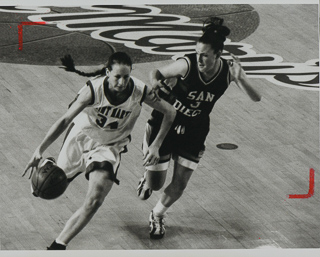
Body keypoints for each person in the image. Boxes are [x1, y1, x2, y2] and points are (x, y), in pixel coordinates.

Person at [22, 52, 176, 250]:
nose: (122, 82)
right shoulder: (93, 90)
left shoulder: (140, 91)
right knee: (44, 190)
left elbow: (170, 112)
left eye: (126, 77)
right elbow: (65, 120)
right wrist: (39, 149)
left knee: (95, 199)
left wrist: (156, 145)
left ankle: (58, 246)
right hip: (81, 137)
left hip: (110, 146)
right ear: (107, 73)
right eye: (117, 77)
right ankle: (49, 164)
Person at [136, 17, 262, 239]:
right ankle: (148, 177)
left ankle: (157, 215)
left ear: (217, 54)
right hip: (166, 123)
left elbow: (256, 97)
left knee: (181, 183)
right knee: (156, 184)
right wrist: (156, 83)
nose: (200, 58)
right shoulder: (188, 64)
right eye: (198, 53)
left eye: (205, 55)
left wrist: (241, 78)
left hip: (195, 128)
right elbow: (156, 73)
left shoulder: (228, 71)